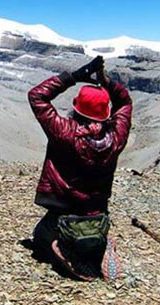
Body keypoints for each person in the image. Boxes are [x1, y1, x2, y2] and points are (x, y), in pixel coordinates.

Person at [28, 56, 133, 281]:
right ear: (106, 114)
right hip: (98, 213)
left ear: (76, 109)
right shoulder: (116, 138)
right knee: (92, 228)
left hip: (64, 212)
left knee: (39, 237)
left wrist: (73, 77)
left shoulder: (65, 133)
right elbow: (124, 103)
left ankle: (66, 249)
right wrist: (106, 82)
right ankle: (99, 245)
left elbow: (37, 96)